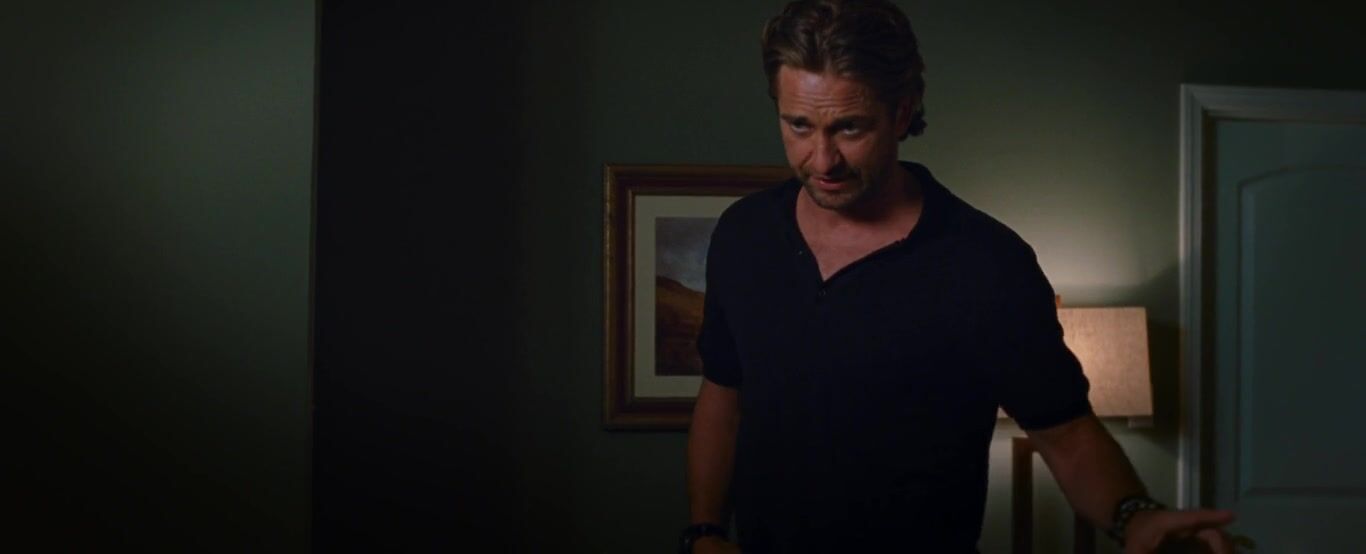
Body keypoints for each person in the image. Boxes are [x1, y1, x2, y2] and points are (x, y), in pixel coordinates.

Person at [679, 1, 1236, 553]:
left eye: (850, 128)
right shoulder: (744, 234)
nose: (822, 160)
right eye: (799, 126)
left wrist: (1135, 517)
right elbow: (723, 397)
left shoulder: (987, 264)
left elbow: (1066, 435)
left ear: (902, 112)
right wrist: (705, 532)